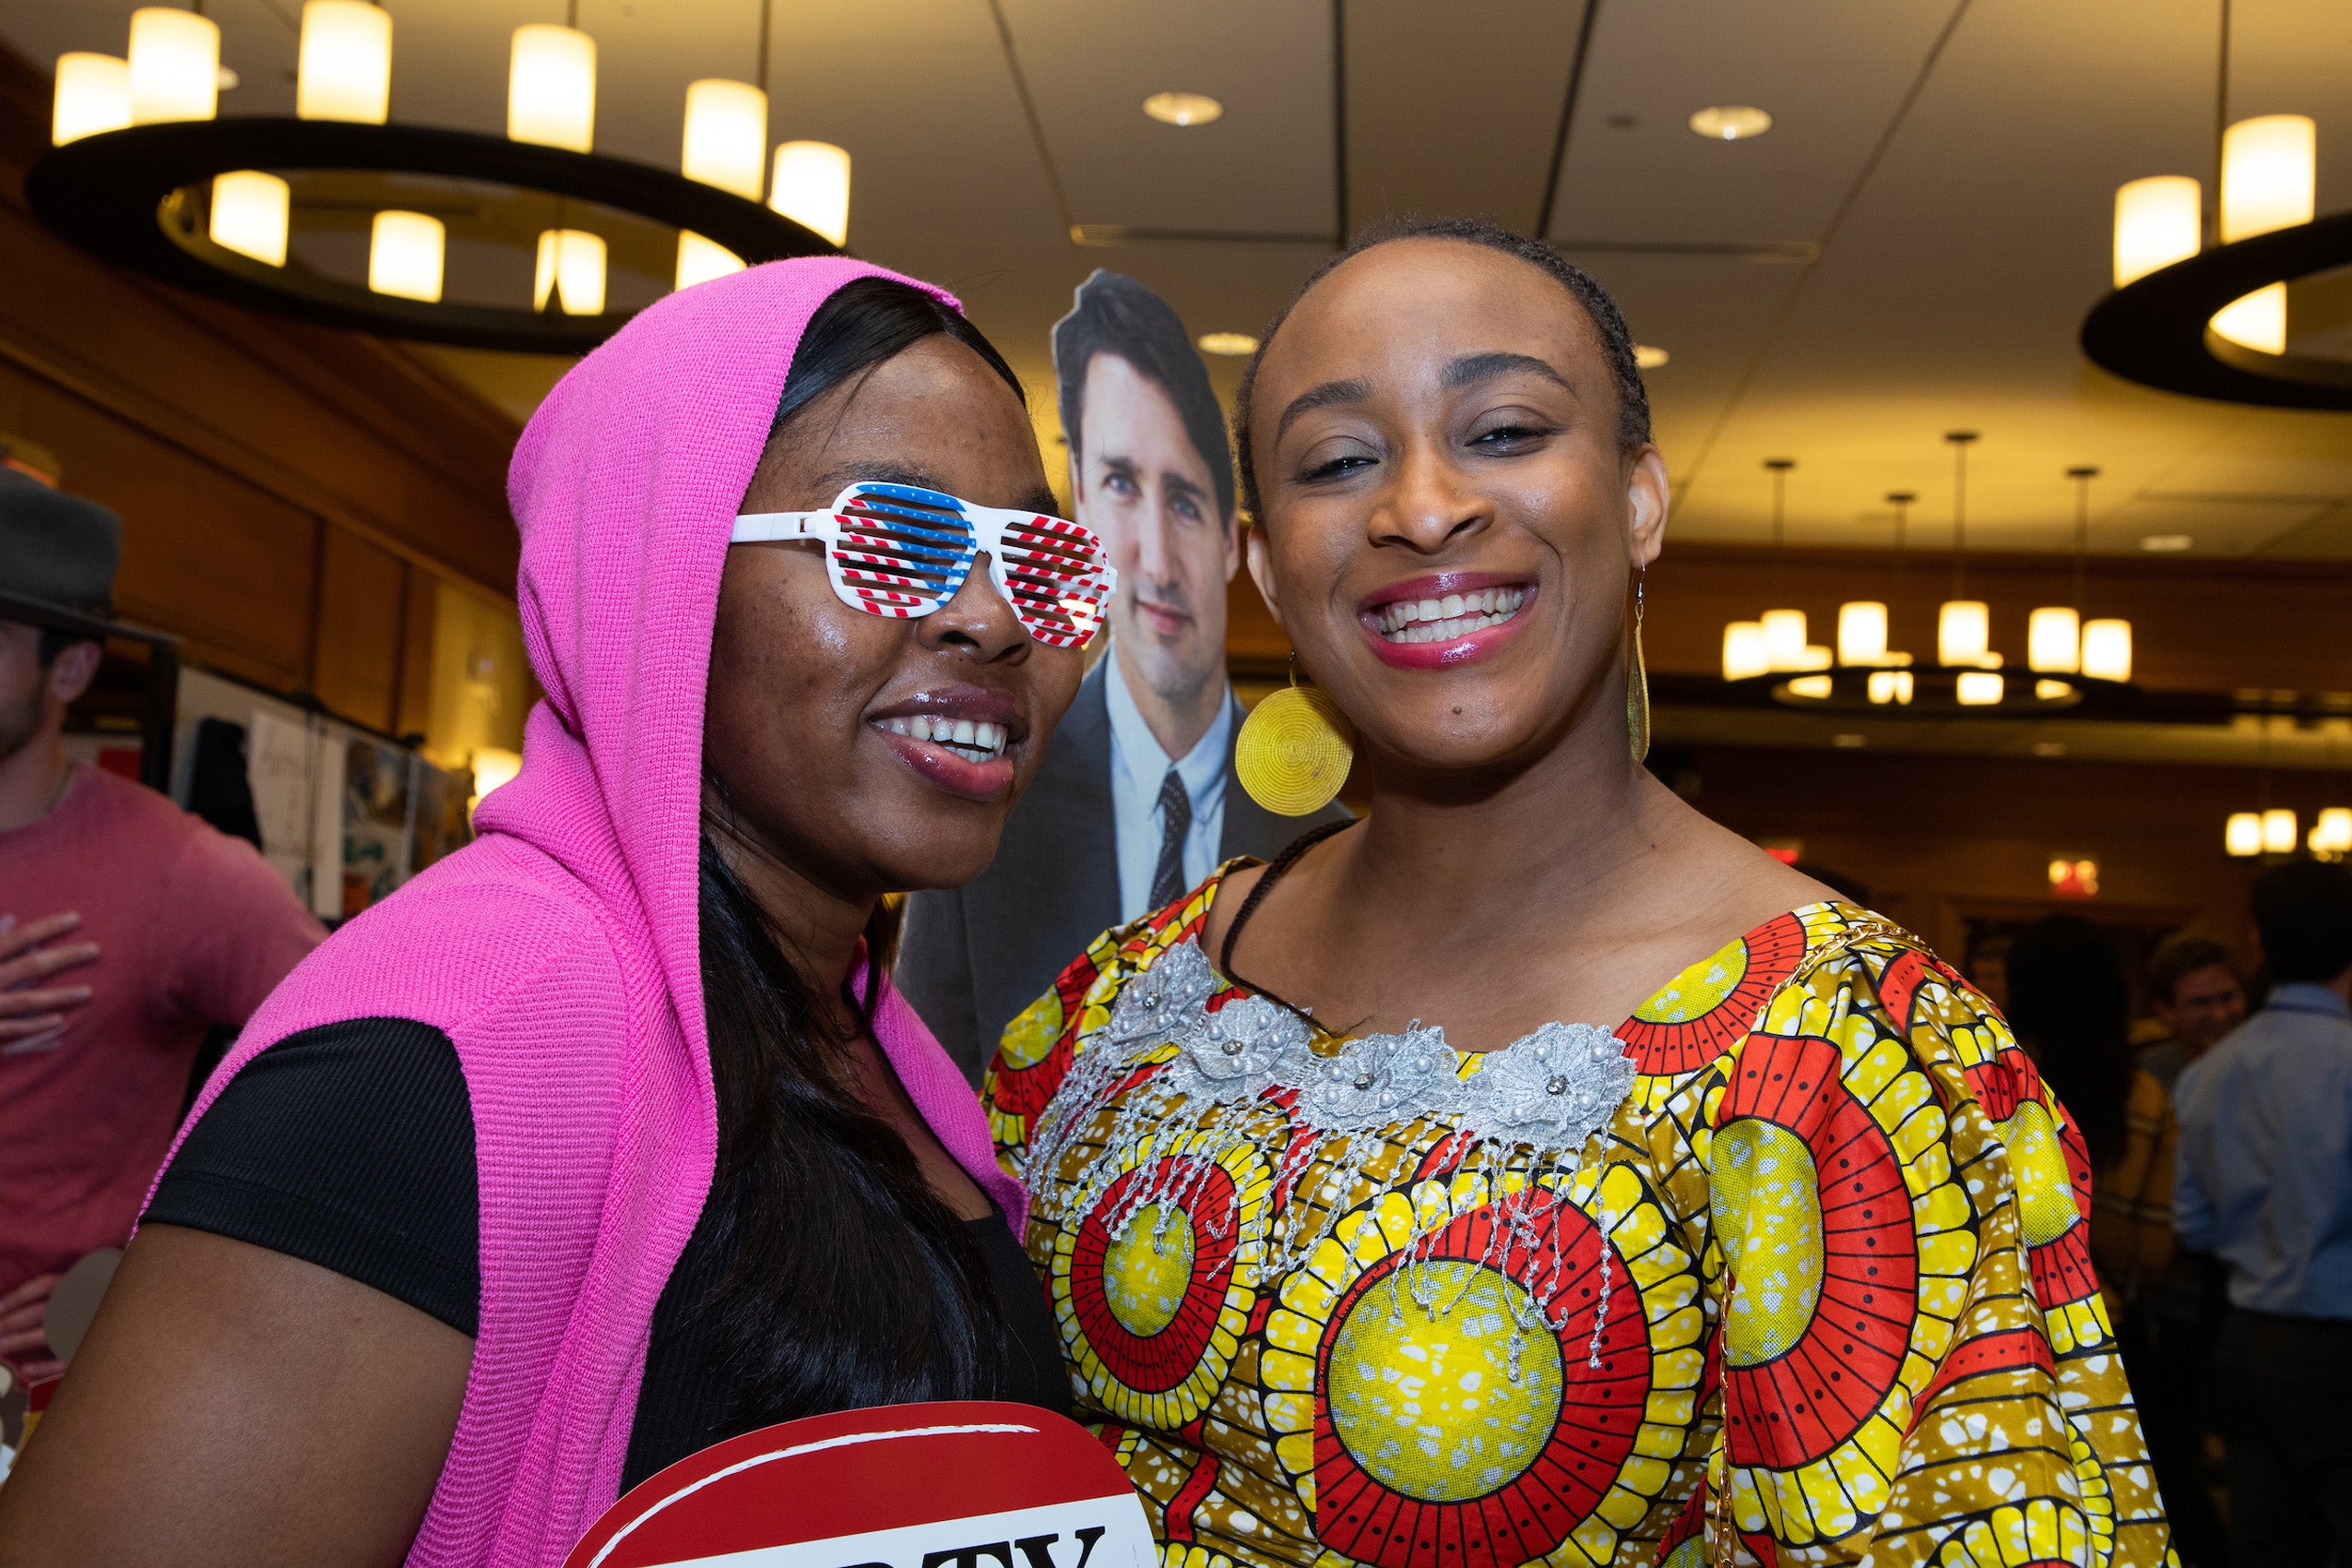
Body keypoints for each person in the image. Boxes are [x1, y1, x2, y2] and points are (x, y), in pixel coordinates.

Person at [986, 217, 2171, 1565]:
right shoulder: (1135, 995)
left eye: (1501, 432)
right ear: (1266, 568)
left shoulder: (1847, 1050)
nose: (1422, 505)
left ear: (1640, 500)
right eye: (1337, 461)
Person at [0, 261, 1095, 1565]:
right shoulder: (444, 1060)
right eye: (889, 541)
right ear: (654, 574)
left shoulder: (854, 1031)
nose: (988, 619)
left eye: (1037, 560)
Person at [899, 269, 1346, 1083]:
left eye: (1184, 501)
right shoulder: (983, 800)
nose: (1153, 558)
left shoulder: (1332, 839)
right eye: (1118, 486)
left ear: (1228, 546)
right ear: (1078, 518)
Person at [0, 471, 324, 1384]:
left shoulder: (178, 875)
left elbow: (366, 1071)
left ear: (70, 668)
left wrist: (155, 1273)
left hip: (39, 1409)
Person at [2174, 859, 2352, 1568]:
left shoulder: (2209, 1070)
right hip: (2339, 1340)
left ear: (2258, 943)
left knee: (2265, 1539)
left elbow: (2194, 1227)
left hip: (2249, 1338)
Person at [2140, 935, 2246, 1093]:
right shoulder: (2147, 1078)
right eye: (2201, 1003)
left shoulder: (2270, 1066)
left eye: (2227, 998)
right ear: (2166, 1012)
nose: (2220, 1015)